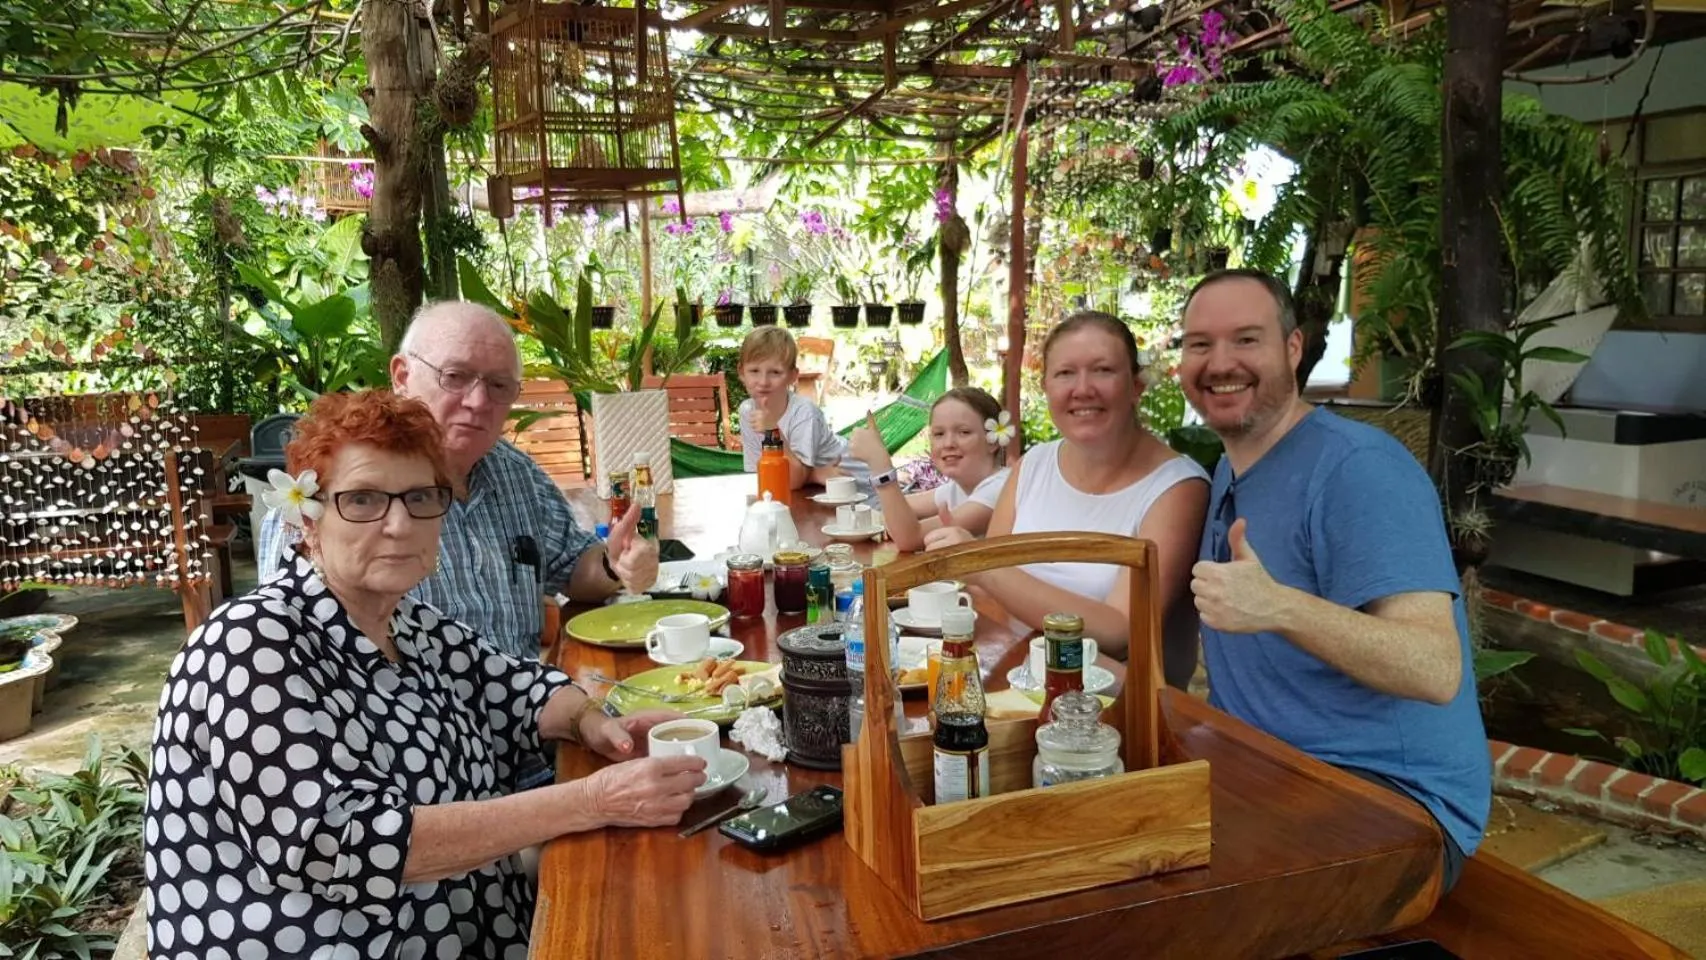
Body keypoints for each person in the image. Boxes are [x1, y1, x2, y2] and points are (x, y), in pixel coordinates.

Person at [145, 390, 706, 959]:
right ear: (307, 521)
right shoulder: (247, 644)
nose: (398, 524)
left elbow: (516, 689)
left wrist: (593, 720)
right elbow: (346, 843)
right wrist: (591, 801)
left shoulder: (408, 623)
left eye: (420, 497)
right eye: (362, 499)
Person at [1181, 268, 1489, 893]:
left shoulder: (1358, 470)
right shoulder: (1230, 466)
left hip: (1390, 798)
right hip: (1265, 770)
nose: (1220, 363)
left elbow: (1433, 668)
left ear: (1293, 350)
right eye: (1199, 344)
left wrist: (1281, 607)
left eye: (1246, 340)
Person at [258, 301, 659, 664]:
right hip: (410, 728)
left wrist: (614, 562)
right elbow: (289, 647)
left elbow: (571, 568)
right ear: (402, 375)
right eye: (455, 376)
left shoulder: (517, 475)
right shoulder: (330, 497)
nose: (478, 401)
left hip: (523, 710)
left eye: (499, 385)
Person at [925, 312, 1209, 688]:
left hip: (1115, 710)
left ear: (1136, 386)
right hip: (1017, 678)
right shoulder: (1033, 465)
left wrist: (980, 566)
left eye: (1103, 370)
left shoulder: (1177, 487)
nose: (1083, 389)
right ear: (1046, 387)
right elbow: (989, 593)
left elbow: (1120, 630)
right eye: (1065, 374)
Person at [846, 387, 1011, 552]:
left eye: (964, 432)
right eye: (939, 434)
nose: (948, 443)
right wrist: (892, 518)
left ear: (993, 442)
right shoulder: (957, 488)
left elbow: (910, 538)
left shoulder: (999, 489)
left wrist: (880, 465)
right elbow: (899, 507)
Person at [736, 325, 872, 498]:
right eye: (754, 371)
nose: (763, 381)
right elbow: (761, 473)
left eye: (775, 372)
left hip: (864, 490)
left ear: (793, 376)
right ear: (741, 372)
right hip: (822, 492)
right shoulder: (747, 410)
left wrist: (772, 430)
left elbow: (793, 480)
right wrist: (814, 474)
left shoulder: (805, 413)